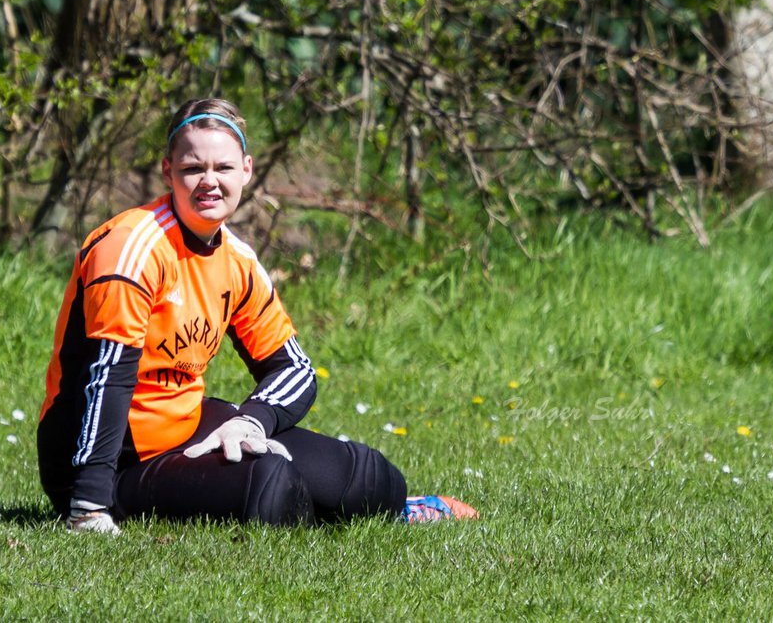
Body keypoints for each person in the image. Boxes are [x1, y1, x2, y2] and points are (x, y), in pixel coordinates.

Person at [36, 98, 478, 534]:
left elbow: (296, 369)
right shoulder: (131, 248)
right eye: (193, 169)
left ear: (246, 169)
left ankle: (397, 508)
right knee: (271, 488)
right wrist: (88, 503)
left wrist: (250, 421)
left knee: (367, 477)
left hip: (186, 430)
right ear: (168, 172)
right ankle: (107, 500)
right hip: (109, 464)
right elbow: (106, 378)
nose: (209, 181)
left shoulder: (238, 261)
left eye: (223, 168)